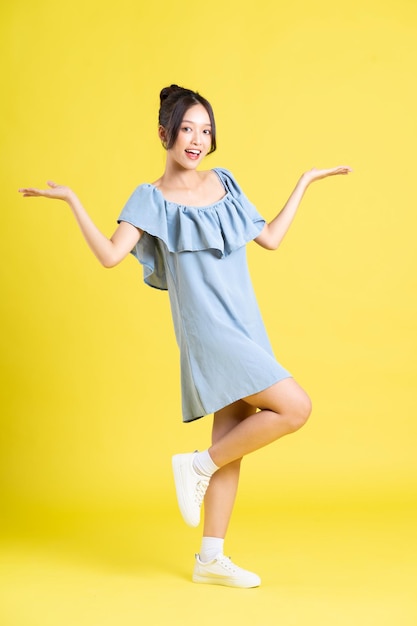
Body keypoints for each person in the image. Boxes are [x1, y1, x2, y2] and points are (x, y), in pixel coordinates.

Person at [19, 84, 351, 588]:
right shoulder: (149, 199)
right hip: (209, 334)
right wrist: (72, 201)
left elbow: (271, 238)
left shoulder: (226, 182)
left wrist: (304, 182)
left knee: (232, 440)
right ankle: (196, 466)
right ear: (164, 133)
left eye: (206, 129)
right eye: (188, 129)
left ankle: (210, 558)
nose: (197, 139)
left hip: (246, 325)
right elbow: (111, 255)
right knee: (295, 408)